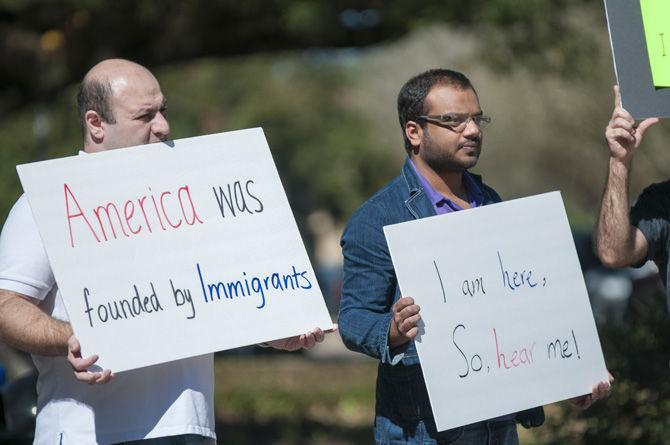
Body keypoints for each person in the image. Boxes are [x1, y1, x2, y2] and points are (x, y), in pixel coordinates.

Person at [0, 58, 326, 445]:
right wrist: (70, 337)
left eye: (163, 111)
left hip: (191, 429)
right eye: (145, 115)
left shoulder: (190, 197)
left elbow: (214, 296)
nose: (163, 126)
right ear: (95, 123)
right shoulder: (48, 201)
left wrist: (271, 330)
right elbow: (5, 303)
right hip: (88, 435)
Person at [338, 68, 610, 445]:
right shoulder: (378, 218)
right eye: (453, 120)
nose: (473, 130)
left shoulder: (492, 204)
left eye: (476, 118)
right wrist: (393, 330)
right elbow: (353, 320)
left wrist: (566, 376)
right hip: (423, 432)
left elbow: (519, 312)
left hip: (498, 430)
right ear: (414, 132)